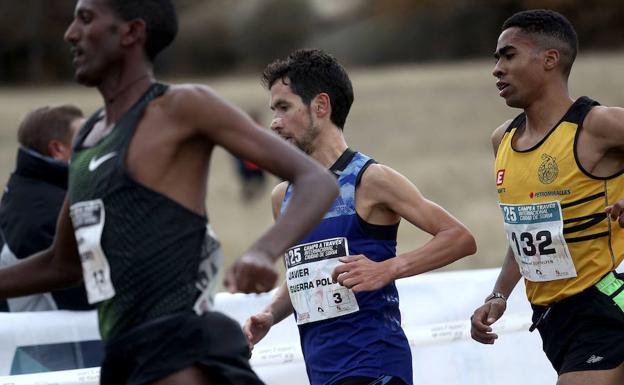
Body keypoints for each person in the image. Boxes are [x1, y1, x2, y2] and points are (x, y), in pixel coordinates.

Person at [0, 1, 339, 385]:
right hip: (123, 361)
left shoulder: (181, 107)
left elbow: (316, 181)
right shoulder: (87, 141)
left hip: (179, 357)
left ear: (131, 32)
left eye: (86, 18)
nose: (70, 33)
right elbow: (61, 265)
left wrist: (264, 251)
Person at [242, 48, 477, 385]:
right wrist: (270, 314)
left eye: (284, 107)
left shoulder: (371, 179)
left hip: (375, 364)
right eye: (273, 110)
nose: (274, 123)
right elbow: (306, 277)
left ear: (320, 106)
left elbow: (459, 237)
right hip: (322, 371)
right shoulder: (283, 196)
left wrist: (387, 269)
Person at [470, 9, 624, 385]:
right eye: (496, 59)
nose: (497, 69)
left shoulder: (597, 125)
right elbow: (526, 233)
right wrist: (499, 295)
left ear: (549, 59)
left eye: (508, 55)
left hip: (606, 302)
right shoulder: (503, 140)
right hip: (553, 320)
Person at [0, 105, 92, 312]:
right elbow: (82, 297)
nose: (96, 142)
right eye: (84, 136)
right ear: (58, 149)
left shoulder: (32, 186)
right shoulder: (42, 213)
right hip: (47, 341)